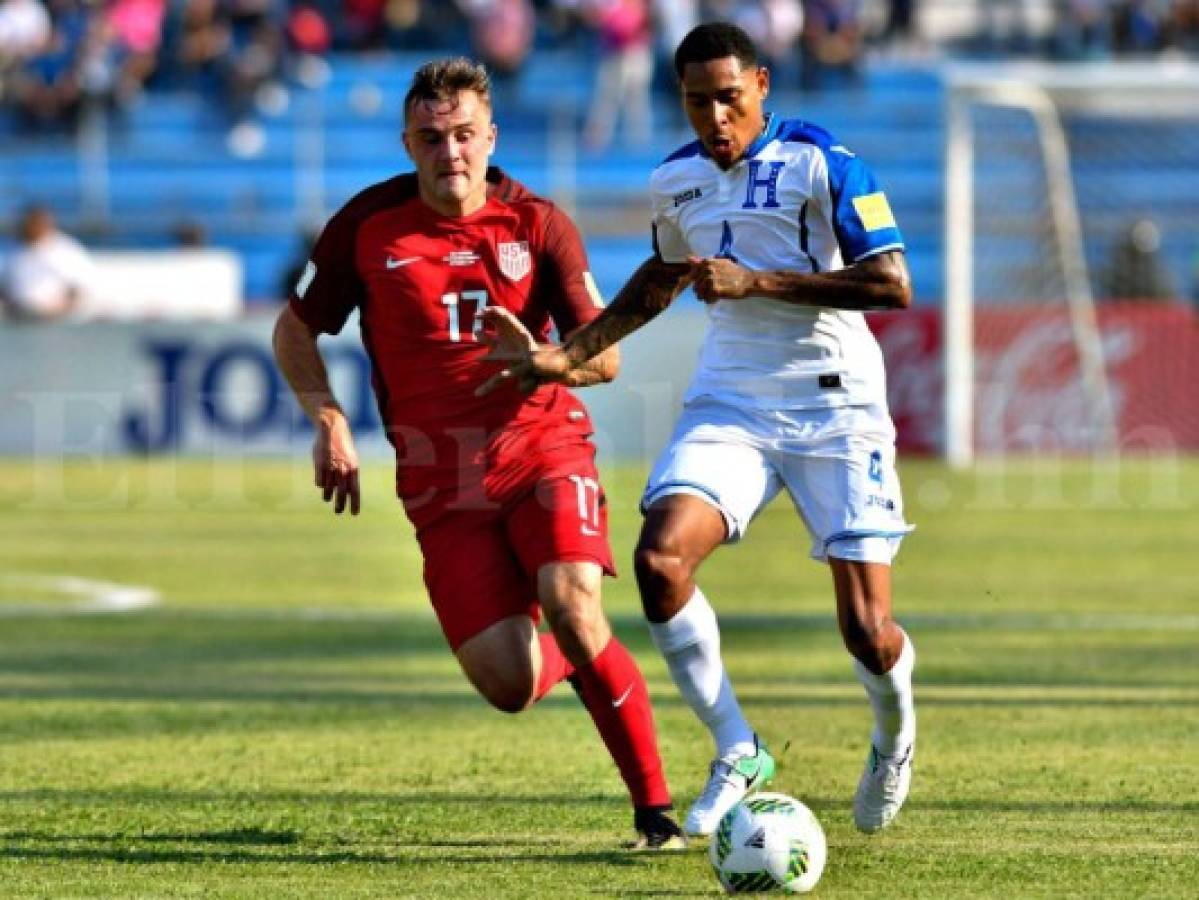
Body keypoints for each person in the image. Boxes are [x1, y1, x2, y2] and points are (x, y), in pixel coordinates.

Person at [480, 21, 918, 837]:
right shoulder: (674, 180)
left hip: (836, 406)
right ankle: (737, 747)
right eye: (695, 102)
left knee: (866, 631)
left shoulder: (826, 163)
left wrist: (757, 280)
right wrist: (564, 354)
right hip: (732, 403)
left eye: (728, 98)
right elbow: (662, 276)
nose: (714, 117)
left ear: (760, 86)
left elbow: (891, 282)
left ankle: (893, 736)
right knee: (657, 560)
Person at [271, 56, 684, 850]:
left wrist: (547, 362)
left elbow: (606, 356)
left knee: (571, 606)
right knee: (509, 684)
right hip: (440, 483)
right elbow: (294, 329)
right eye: (431, 138)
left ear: (490, 136)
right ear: (407, 142)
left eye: (464, 135)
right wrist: (325, 417)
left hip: (542, 448)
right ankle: (583, 653)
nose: (449, 152)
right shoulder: (367, 226)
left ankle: (656, 814)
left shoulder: (538, 223)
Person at [0, 204, 95, 321]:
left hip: (56, 323)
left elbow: (80, 288)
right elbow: (4, 286)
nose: (31, 227)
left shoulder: (66, 250)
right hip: (18, 319)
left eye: (36, 223)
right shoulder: (11, 250)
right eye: (28, 224)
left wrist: (58, 310)